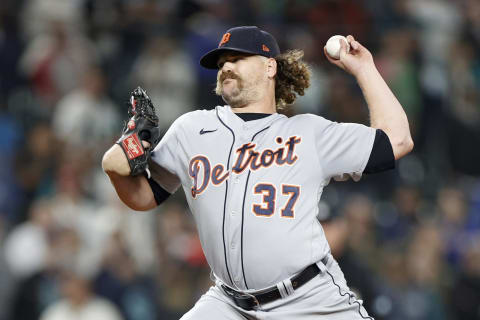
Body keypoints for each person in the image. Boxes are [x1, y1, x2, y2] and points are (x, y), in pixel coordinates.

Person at [102, 26, 413, 319]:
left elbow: (397, 139)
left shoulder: (308, 133)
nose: (225, 66)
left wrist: (364, 69)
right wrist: (117, 170)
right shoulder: (191, 129)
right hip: (229, 303)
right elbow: (144, 197)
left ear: (269, 68)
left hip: (308, 299)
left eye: (237, 58)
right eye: (222, 62)